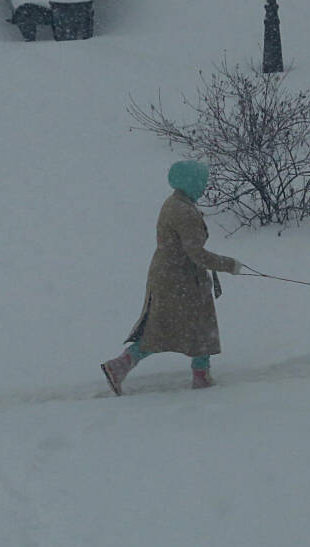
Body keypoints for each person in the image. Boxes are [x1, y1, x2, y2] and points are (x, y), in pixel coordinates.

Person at [101, 160, 243, 395]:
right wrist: (228, 265)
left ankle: (197, 375)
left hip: (174, 277)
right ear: (190, 182)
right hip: (180, 280)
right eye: (201, 182)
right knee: (181, 327)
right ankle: (198, 376)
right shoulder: (183, 211)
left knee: (179, 327)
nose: (203, 186)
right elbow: (196, 253)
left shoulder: (177, 203)